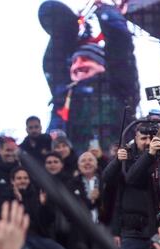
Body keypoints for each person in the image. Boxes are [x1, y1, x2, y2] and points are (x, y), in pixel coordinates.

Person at [38, 0, 140, 152]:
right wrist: (67, 28)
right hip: (73, 167)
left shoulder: (119, 86)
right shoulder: (64, 92)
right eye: (74, 62)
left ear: (103, 66)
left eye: (86, 59)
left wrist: (105, 10)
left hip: (117, 163)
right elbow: (53, 62)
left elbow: (121, 45)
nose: (78, 65)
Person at [103, 123, 160, 249]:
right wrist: (117, 161)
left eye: (151, 138)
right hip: (131, 231)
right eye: (144, 138)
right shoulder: (126, 156)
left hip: (158, 230)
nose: (148, 142)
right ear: (135, 138)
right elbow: (109, 178)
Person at [10, 166, 68, 249]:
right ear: (12, 181)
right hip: (16, 239)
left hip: (37, 238)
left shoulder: (37, 195)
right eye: (19, 178)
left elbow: (48, 220)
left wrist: (44, 205)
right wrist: (18, 201)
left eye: (25, 178)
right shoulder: (6, 196)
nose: (22, 180)